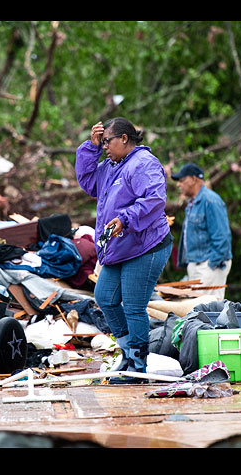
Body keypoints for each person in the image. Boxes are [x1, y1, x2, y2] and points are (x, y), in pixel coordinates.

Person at [76, 117, 172, 384]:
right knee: (104, 296)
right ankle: (128, 353)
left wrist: (126, 219)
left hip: (146, 246)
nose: (105, 146)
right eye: (102, 141)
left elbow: (155, 199)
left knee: (133, 305)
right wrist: (90, 147)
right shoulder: (110, 166)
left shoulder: (143, 164)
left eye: (107, 141)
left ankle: (138, 367)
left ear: (124, 139)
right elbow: (87, 183)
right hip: (119, 247)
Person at [171, 163, 232, 300]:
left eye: (182, 180)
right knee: (198, 314)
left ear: (193, 179)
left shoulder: (210, 201)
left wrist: (211, 266)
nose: (178, 185)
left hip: (208, 266)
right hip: (196, 264)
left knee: (207, 311)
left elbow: (222, 237)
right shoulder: (192, 203)